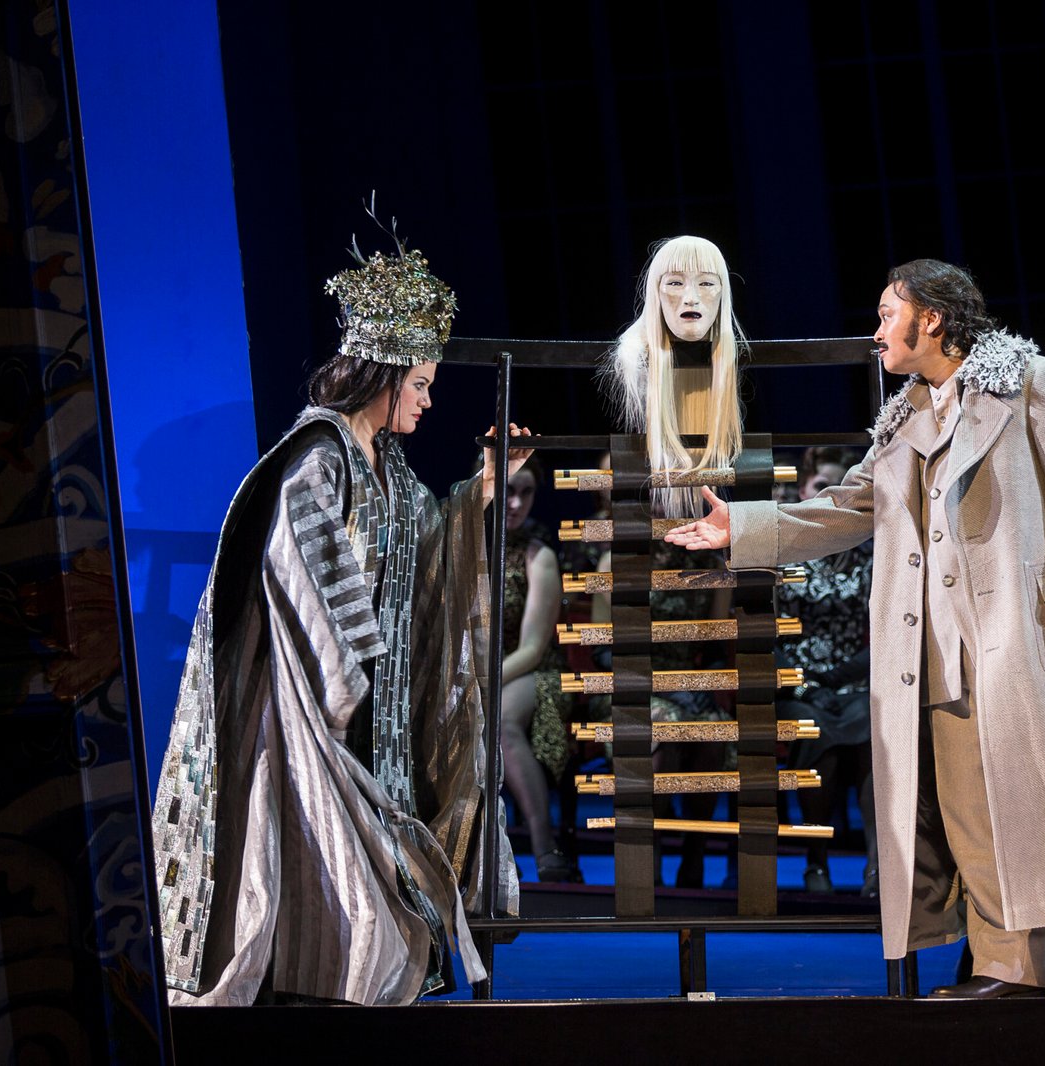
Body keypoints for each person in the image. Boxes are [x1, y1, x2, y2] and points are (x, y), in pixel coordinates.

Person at [668, 259, 1045, 998]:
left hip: (1027, 632)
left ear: (932, 318)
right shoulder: (904, 423)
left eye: (886, 315)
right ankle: (1010, 969)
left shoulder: (1033, 382)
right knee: (975, 816)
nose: (876, 332)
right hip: (939, 650)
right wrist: (745, 527)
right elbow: (843, 508)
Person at [150, 234, 529, 1005]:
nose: (427, 400)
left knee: (372, 895)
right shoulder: (318, 456)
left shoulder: (394, 473)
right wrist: (348, 662)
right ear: (383, 374)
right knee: (332, 881)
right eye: (418, 383)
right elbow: (301, 555)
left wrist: (484, 490)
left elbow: (435, 552)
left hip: (376, 713)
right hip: (321, 702)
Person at [775, 446, 877, 895]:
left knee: (874, 730)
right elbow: (764, 636)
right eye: (821, 487)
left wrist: (838, 678)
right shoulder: (783, 553)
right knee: (816, 732)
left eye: (840, 487)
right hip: (796, 687)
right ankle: (816, 863)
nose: (831, 495)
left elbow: (889, 631)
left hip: (854, 682)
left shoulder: (871, 556)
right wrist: (803, 684)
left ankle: (878, 865)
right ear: (803, 491)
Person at [600, 234, 747, 516]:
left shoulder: (743, 367)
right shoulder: (626, 374)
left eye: (706, 283)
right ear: (656, 291)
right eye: (675, 283)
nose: (690, 298)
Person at [494, 455, 579, 881]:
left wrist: (479, 683)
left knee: (500, 719)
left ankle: (545, 847)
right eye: (508, 490)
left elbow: (531, 649)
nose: (516, 502)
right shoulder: (462, 542)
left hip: (536, 672)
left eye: (526, 493)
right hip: (474, 673)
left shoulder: (538, 554)